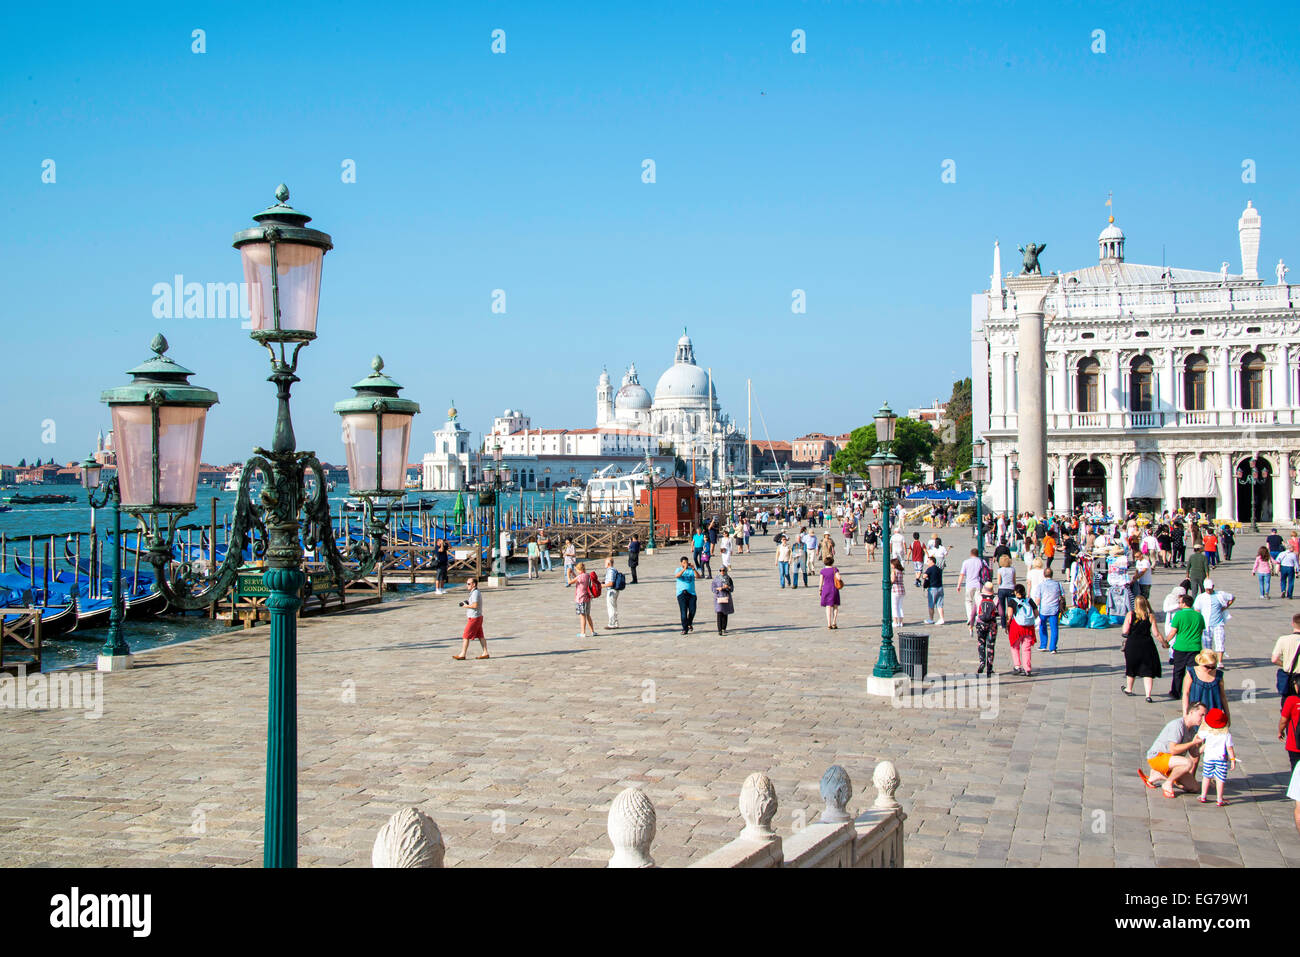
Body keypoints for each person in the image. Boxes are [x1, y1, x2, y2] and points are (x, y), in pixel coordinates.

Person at [1139, 702, 1208, 798]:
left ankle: (1158, 775)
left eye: (1205, 715)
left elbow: (1194, 754)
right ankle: (1168, 783)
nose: (1204, 719)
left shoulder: (1192, 730)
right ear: (1191, 712)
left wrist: (1205, 746)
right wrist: (1192, 743)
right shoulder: (1178, 725)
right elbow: (1173, 750)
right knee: (1188, 763)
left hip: (1172, 761)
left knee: (1194, 787)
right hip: (1158, 756)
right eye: (1202, 715)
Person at [1121, 595, 1166, 701]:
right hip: (1147, 644)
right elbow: (1156, 633)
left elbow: (1125, 631)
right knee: (1148, 670)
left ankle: (1129, 689)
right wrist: (1164, 643)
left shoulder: (1130, 614)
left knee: (1131, 666)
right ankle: (1148, 695)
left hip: (1132, 644)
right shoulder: (1150, 616)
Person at [1195, 708, 1237, 806]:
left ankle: (1203, 796)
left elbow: (1198, 737)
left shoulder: (1207, 732)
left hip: (1208, 758)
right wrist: (1233, 760)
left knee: (1206, 776)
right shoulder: (1226, 735)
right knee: (1220, 779)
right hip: (1221, 759)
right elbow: (1229, 748)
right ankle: (1219, 799)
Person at [1193, 578, 1235, 663]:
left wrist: (1225, 607)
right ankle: (1209, 661)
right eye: (1207, 589)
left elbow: (1232, 597)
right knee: (1207, 645)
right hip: (1206, 625)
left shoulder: (1220, 594)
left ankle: (1219, 662)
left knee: (1220, 642)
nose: (1208, 590)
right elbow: (1196, 609)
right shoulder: (1201, 597)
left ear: (1213, 586)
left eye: (1210, 588)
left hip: (1218, 624)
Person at [1183, 650, 1228, 720]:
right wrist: (1185, 714)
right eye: (1207, 667)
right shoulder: (1191, 673)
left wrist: (1227, 715)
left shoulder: (1218, 675)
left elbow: (1223, 696)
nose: (1210, 670)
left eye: (1213, 667)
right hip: (1197, 715)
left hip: (1214, 714)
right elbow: (1186, 694)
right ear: (1201, 663)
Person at [452, 576, 489, 660]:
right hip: (477, 616)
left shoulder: (475, 592)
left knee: (466, 635)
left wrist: (466, 606)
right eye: (467, 584)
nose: (467, 585)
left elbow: (475, 605)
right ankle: (485, 652)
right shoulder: (474, 592)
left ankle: (462, 654)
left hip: (474, 617)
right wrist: (467, 602)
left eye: (469, 584)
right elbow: (474, 602)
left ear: (474, 584)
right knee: (480, 636)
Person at [1031, 566, 1065, 655]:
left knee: (1042, 626)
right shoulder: (1058, 584)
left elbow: (1037, 601)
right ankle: (1053, 647)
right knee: (1054, 628)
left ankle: (1043, 645)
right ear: (1052, 575)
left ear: (1044, 575)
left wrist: (1033, 609)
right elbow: (1062, 596)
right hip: (1054, 609)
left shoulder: (1040, 585)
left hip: (1044, 609)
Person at [1006, 583, 1037, 676]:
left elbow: (1010, 615)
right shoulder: (1029, 600)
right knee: (1026, 648)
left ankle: (1017, 666)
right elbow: (1036, 613)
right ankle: (1027, 668)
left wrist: (1007, 624)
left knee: (1015, 646)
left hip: (1016, 627)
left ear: (1016, 592)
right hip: (1028, 628)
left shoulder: (1012, 601)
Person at [1272, 614, 1300, 702]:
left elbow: (1274, 659)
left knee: (1287, 706)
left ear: (1293, 624)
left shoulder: (1283, 639)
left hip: (1289, 679)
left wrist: (1286, 664)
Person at [973, 582, 999, 675]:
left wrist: (971, 624)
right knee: (991, 645)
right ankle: (989, 667)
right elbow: (1001, 612)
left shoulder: (978, 597)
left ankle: (982, 662)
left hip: (980, 623)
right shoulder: (996, 598)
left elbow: (973, 612)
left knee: (981, 643)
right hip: (992, 624)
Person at [956, 548, 984, 626]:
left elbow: (962, 574)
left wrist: (959, 585)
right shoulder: (981, 561)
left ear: (971, 554)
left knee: (968, 601)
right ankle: (979, 617)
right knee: (979, 602)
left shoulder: (966, 562)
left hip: (969, 584)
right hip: (979, 584)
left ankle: (970, 617)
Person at [1278, 680, 1300, 771]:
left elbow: (1284, 720)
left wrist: (1280, 731)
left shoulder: (1291, 700)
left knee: (1295, 769)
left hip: (1295, 742)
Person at [573, 561, 597, 638]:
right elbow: (577, 579)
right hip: (587, 598)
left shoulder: (579, 577)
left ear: (579, 570)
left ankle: (583, 632)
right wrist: (573, 574)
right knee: (588, 615)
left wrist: (568, 573)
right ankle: (592, 631)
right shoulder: (587, 575)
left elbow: (570, 582)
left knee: (582, 616)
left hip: (580, 598)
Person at [674, 556, 697, 635]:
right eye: (683, 563)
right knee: (683, 612)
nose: (685, 564)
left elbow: (698, 576)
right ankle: (685, 628)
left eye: (686, 562)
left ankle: (689, 623)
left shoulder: (691, 570)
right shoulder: (678, 569)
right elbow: (677, 576)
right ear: (681, 563)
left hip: (691, 593)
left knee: (693, 610)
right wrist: (684, 569)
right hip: (681, 594)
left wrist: (693, 569)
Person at [820, 556, 843, 629]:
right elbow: (839, 578)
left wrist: (820, 589)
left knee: (828, 606)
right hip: (834, 589)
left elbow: (821, 582)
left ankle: (828, 623)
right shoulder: (835, 569)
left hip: (826, 589)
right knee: (835, 606)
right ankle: (834, 622)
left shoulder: (822, 571)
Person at [712, 566, 735, 635]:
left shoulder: (728, 578)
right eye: (720, 570)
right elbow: (712, 588)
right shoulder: (716, 579)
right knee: (719, 613)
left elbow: (732, 588)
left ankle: (724, 628)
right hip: (718, 597)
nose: (722, 572)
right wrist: (717, 589)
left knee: (725, 613)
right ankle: (719, 630)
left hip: (726, 597)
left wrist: (728, 587)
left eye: (723, 570)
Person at [922, 555, 945, 625]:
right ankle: (942, 618)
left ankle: (931, 619)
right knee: (940, 604)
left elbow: (924, 576)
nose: (927, 562)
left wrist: (925, 577)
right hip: (940, 587)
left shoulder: (930, 569)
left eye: (928, 561)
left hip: (932, 588)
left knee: (931, 604)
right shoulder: (939, 568)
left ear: (932, 561)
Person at [995, 553, 1016, 626]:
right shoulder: (1012, 569)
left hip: (1002, 589)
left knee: (1002, 607)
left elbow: (999, 582)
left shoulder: (1000, 570)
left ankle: (1003, 623)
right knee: (1011, 607)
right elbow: (1014, 581)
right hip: (1011, 589)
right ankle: (1011, 622)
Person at [604, 556, 621, 629]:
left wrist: (602, 585)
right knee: (614, 606)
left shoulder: (610, 570)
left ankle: (612, 623)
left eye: (605, 562)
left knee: (611, 607)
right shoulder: (614, 570)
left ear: (608, 563)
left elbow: (611, 583)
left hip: (611, 590)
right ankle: (616, 622)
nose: (604, 564)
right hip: (615, 590)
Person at [890, 557, 906, 627]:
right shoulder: (900, 571)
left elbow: (893, 580)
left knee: (894, 606)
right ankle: (901, 622)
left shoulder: (894, 571)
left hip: (895, 589)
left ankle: (895, 621)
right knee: (900, 606)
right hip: (901, 589)